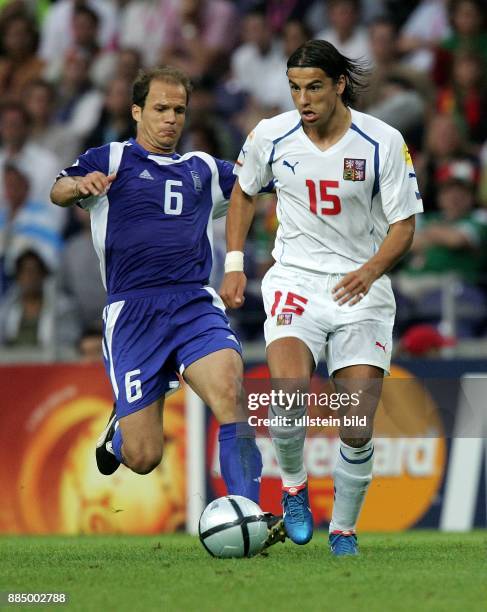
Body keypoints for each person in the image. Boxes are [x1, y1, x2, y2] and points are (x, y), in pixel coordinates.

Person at [50, 66, 283, 546]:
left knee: (230, 390)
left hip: (193, 302)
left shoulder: (202, 169)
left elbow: (252, 186)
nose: (170, 119)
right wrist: (80, 185)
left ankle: (250, 517)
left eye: (179, 110)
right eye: (160, 109)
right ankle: (119, 433)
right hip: (133, 314)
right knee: (143, 456)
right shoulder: (111, 156)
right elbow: (58, 189)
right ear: (137, 111)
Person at [220, 40, 423, 556]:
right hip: (296, 280)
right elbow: (244, 190)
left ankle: (345, 531)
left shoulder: (381, 141)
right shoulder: (272, 135)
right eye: (294, 88)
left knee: (356, 425)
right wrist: (237, 263)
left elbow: (405, 225)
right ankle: (293, 488)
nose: (302, 99)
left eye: (313, 87)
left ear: (338, 85)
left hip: (363, 289)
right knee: (287, 392)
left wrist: (370, 269)